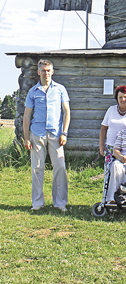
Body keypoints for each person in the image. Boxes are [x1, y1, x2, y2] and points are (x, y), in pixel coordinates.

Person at [23, 59, 70, 211]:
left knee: (60, 167)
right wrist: (26, 138)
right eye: (43, 70)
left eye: (49, 70)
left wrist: (64, 133)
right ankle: (37, 203)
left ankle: (60, 203)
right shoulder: (33, 91)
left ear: (53, 71)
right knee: (37, 168)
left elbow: (67, 112)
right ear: (38, 72)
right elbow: (26, 115)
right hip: (37, 133)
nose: (46, 73)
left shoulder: (60, 89)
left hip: (56, 134)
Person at [99, 85, 126, 174]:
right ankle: (108, 188)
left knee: (122, 174)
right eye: (120, 97)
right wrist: (101, 145)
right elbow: (104, 128)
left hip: (125, 150)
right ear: (117, 98)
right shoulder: (111, 110)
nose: (123, 99)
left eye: (125, 97)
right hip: (110, 148)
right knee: (109, 173)